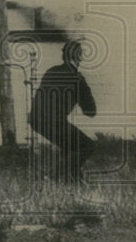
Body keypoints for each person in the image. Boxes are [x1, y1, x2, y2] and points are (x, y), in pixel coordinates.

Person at [30, 39, 98, 181]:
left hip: (36, 120)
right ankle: (51, 177)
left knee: (71, 146)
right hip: (54, 122)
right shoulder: (77, 78)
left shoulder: (51, 71)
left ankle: (74, 180)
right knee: (87, 146)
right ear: (79, 57)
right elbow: (91, 111)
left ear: (64, 56)